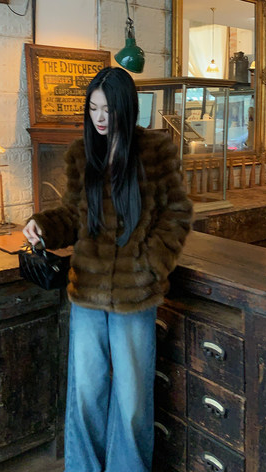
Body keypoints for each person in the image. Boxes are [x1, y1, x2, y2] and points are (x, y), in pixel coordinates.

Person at [23, 66, 193, 472]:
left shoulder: (156, 151)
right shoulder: (82, 154)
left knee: (133, 400)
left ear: (126, 108)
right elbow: (73, 215)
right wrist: (42, 225)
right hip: (87, 291)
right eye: (94, 109)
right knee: (87, 393)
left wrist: (150, 264)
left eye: (108, 110)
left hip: (137, 295)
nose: (100, 118)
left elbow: (177, 213)